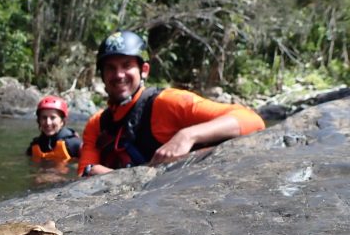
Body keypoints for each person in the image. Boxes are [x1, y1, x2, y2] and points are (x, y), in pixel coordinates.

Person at [79, 30, 265, 176]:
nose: (119, 75)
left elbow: (252, 120)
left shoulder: (168, 102)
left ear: (144, 70)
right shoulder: (97, 124)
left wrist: (188, 135)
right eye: (111, 68)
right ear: (102, 75)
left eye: (127, 65)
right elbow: (85, 172)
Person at [26, 95, 81, 161]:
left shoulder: (74, 144)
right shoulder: (34, 145)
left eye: (53, 118)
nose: (48, 122)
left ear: (62, 121)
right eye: (44, 117)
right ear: (38, 120)